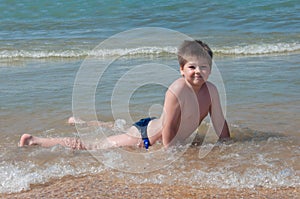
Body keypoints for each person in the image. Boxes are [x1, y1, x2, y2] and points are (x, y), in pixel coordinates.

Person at [19, 40, 230, 150]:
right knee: (92, 146)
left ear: (210, 69)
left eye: (204, 67)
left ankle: (82, 121)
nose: (198, 71)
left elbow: (220, 124)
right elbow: (168, 133)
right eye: (192, 66)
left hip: (151, 123)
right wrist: (171, 160)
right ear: (181, 69)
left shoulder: (211, 91)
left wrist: (227, 147)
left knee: (117, 126)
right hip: (145, 136)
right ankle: (34, 140)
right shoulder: (178, 90)